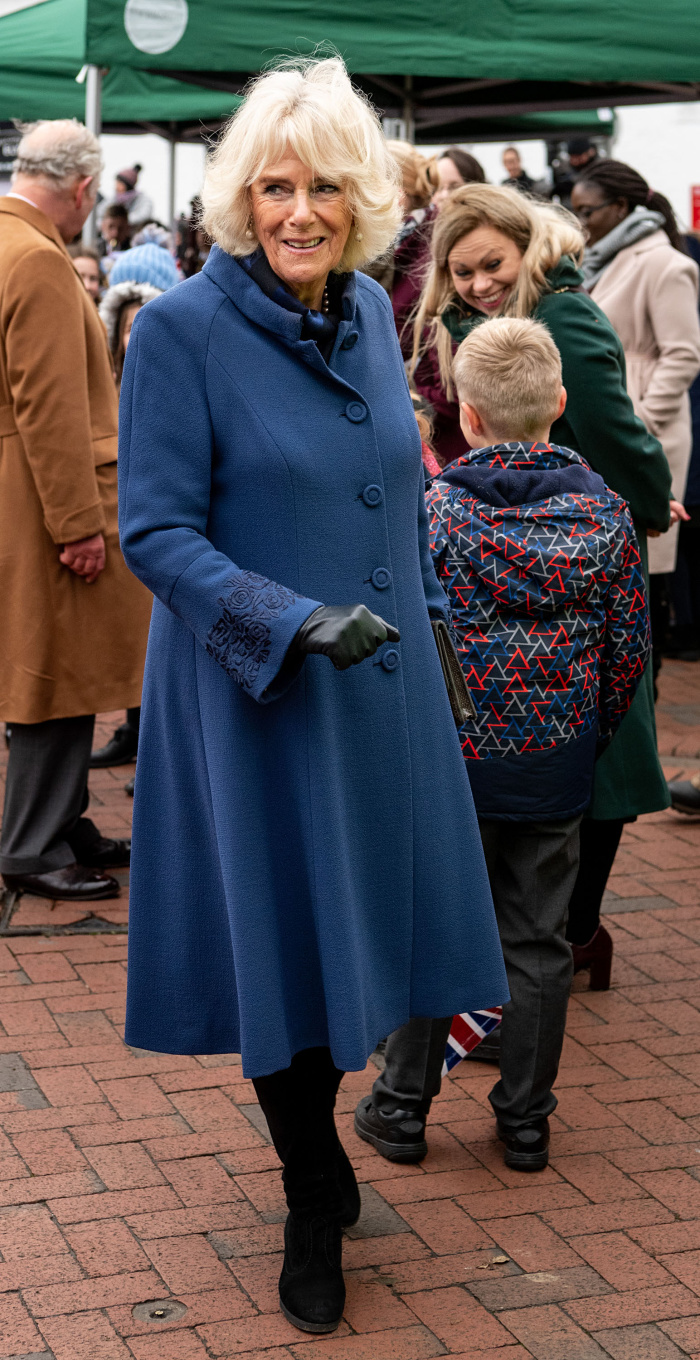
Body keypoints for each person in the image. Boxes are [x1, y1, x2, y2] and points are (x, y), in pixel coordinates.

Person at [118, 57, 507, 1335]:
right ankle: (309, 1183)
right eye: (273, 187)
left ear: (362, 201)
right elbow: (156, 533)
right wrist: (287, 622)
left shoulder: (360, 317)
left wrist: (440, 634)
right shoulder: (181, 328)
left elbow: (393, 502)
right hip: (254, 696)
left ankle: (327, 1151)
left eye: (324, 187)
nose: (299, 211)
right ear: (239, 198)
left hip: (382, 696)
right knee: (280, 948)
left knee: (379, 941)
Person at [356, 316, 650, 1170]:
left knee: (434, 925)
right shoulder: (605, 518)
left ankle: (403, 1105)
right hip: (554, 761)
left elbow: (405, 634)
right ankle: (524, 1117)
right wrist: (584, 734)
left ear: (468, 416)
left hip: (452, 759)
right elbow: (627, 651)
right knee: (538, 941)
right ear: (559, 404)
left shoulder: (436, 515)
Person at [411, 183, 676, 986]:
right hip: (503, 541)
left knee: (606, 738)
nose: (479, 283)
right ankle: (552, 939)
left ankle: (576, 929)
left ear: (527, 247)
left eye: (492, 263)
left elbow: (615, 429)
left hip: (574, 552)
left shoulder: (564, 316)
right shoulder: (471, 323)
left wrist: (647, 499)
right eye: (461, 272)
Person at [0, 119, 151, 902]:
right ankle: (32, 842)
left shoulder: (9, 244)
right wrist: (77, 526)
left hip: (20, 491)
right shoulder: (35, 259)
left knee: (51, 667)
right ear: (85, 188)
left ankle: (59, 821)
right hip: (46, 497)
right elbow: (50, 410)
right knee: (51, 673)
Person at [571, 159, 700, 686]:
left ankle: (640, 690)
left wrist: (638, 421)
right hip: (613, 425)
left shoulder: (664, 263)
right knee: (621, 578)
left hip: (646, 431)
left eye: (588, 211)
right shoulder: (604, 258)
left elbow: (684, 355)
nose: (580, 223)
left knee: (644, 581)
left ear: (621, 208)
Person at [90, 275, 169, 783]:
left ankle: (149, 741)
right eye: (127, 324)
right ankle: (130, 729)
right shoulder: (109, 384)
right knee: (127, 638)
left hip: (156, 522)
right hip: (122, 516)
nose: (133, 333)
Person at [395, 148, 486, 465]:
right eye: (437, 188)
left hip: (449, 445)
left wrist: (403, 404)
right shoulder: (402, 247)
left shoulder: (442, 263)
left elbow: (452, 386)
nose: (442, 197)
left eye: (454, 186)